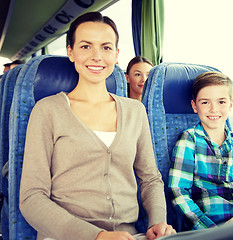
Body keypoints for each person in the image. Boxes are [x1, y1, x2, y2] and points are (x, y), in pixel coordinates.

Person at [19, 12, 175, 240]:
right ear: (70, 52)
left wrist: (158, 221)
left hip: (127, 236)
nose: (97, 56)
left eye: (106, 47)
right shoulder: (48, 111)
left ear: (117, 54)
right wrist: (97, 236)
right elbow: (32, 197)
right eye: (85, 46)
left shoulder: (135, 111)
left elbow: (150, 178)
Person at [168, 71, 233, 230]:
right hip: (206, 229)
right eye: (205, 103)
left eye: (221, 102)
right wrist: (212, 231)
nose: (213, 109)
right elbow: (178, 192)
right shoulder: (189, 140)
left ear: (230, 105)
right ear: (194, 106)